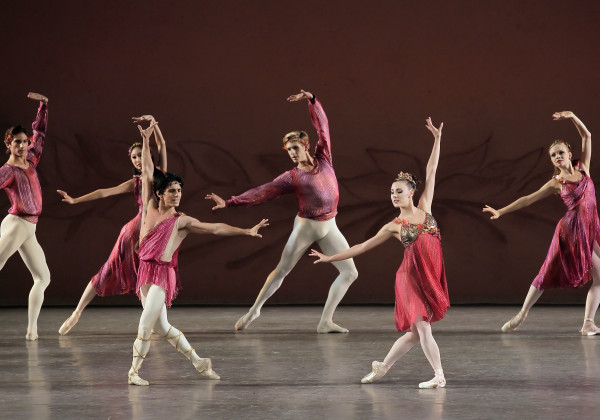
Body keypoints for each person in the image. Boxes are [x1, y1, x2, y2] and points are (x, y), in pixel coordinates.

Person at [310, 118, 449, 388]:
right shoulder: (393, 226)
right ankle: (439, 376)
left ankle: (383, 367)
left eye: (398, 191)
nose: (394, 196)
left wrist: (437, 139)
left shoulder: (426, 208)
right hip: (409, 278)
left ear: (411, 193)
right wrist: (330, 258)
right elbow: (361, 247)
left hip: (429, 275)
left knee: (413, 334)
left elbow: (432, 171)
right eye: (391, 192)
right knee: (422, 326)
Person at [128, 121, 269, 386]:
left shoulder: (182, 221)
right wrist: (145, 141)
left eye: (180, 191)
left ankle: (133, 372)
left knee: (145, 325)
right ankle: (200, 362)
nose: (177, 195)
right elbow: (148, 170)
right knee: (162, 328)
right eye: (172, 191)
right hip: (144, 272)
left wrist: (245, 231)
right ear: (160, 193)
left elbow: (214, 228)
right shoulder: (149, 206)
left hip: (161, 276)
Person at [206, 90, 358, 333]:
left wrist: (312, 101)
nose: (293, 153)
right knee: (282, 270)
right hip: (307, 227)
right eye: (289, 151)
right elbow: (263, 191)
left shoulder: (324, 158)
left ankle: (325, 321)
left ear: (305, 145)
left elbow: (323, 128)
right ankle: (254, 310)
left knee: (350, 272)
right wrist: (230, 202)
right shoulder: (291, 177)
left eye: (295, 148)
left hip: (330, 224)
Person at [483, 111, 600, 335]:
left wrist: (573, 117)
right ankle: (522, 313)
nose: (558, 156)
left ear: (569, 154)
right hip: (571, 232)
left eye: (561, 153)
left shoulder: (583, 168)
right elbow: (527, 199)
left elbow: (588, 136)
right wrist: (501, 211)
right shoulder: (557, 182)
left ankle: (587, 323)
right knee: (547, 272)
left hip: (588, 229)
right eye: (554, 155)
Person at [57, 115, 166, 335]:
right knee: (108, 271)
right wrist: (75, 200)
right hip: (135, 232)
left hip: (152, 233)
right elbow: (104, 192)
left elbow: (162, 145)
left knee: (145, 278)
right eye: (134, 157)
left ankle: (151, 324)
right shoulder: (137, 182)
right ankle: (76, 312)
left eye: (140, 155)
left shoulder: (161, 176)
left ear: (148, 155)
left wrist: (154, 123)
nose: (137, 159)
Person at [0, 92, 49, 340]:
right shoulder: (7, 170)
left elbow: (39, 136)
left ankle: (31, 330)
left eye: (23, 141)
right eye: (16, 142)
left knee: (43, 278)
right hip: (16, 224)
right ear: (8, 144)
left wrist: (43, 107)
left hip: (30, 228)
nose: (22, 145)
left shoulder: (31, 159)